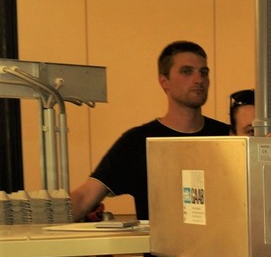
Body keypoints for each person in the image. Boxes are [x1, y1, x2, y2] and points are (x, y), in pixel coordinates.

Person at [70, 41, 230, 221]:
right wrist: (39, 217)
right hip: (164, 249)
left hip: (222, 249)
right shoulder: (137, 142)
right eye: (186, 71)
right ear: (164, 81)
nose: (198, 79)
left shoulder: (229, 138)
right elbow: (85, 197)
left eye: (204, 72)